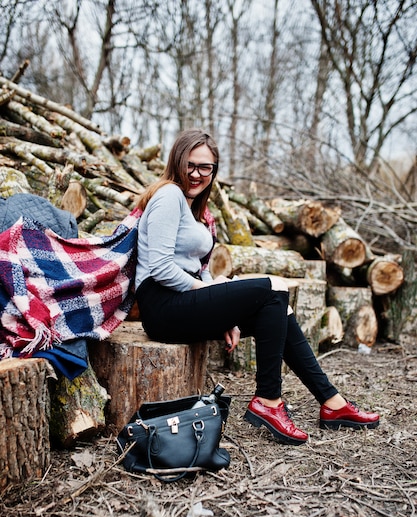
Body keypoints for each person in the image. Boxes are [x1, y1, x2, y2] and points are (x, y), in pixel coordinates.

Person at [134, 128, 380, 445]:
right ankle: (269, 401)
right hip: (163, 307)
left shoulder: (192, 206)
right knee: (272, 289)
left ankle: (332, 403)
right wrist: (204, 294)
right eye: (190, 165)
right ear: (176, 161)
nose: (197, 174)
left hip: (180, 303)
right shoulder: (168, 195)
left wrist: (223, 312)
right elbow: (160, 267)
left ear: (214, 170)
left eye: (205, 167)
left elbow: (197, 268)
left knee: (278, 307)